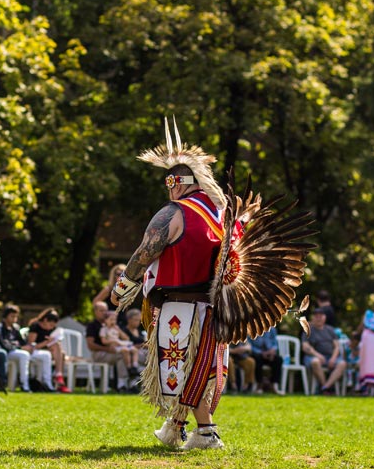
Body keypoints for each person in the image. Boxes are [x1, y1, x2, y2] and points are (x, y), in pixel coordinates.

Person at [109, 119, 314, 450]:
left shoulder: (174, 212)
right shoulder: (222, 214)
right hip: (216, 308)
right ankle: (175, 428)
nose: (169, 188)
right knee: (200, 369)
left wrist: (123, 285)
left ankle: (205, 432)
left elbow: (145, 252)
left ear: (181, 182)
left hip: (181, 307)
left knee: (189, 371)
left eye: (171, 181)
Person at [0, 305, 52, 392]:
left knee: (46, 355)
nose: (14, 318)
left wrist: (29, 346)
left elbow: (22, 341)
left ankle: (47, 384)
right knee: (24, 355)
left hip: (20, 351)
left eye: (16, 316)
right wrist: (20, 347)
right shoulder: (0, 328)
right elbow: (4, 344)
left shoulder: (15, 328)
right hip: (9, 353)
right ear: (5, 316)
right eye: (12, 316)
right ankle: (24, 384)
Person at [86, 301, 132, 393]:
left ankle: (124, 383)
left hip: (112, 352)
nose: (104, 313)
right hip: (99, 354)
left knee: (126, 352)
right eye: (101, 311)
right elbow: (90, 345)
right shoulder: (92, 326)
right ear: (95, 312)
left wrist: (117, 329)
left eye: (105, 311)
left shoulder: (112, 325)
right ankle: (123, 382)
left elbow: (126, 338)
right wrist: (107, 349)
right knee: (122, 354)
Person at [302, 307, 347, 395]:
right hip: (313, 357)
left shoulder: (330, 330)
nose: (318, 318)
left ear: (324, 317)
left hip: (330, 357)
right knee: (315, 362)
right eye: (316, 316)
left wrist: (333, 358)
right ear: (313, 318)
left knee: (342, 363)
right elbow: (305, 346)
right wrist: (317, 355)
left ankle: (325, 387)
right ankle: (325, 387)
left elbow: (337, 346)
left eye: (321, 316)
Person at [26, 307, 68, 392]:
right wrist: (46, 342)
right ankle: (58, 377)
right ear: (45, 320)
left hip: (48, 351)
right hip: (35, 351)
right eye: (51, 325)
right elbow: (31, 346)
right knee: (58, 351)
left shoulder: (52, 330)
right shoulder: (35, 327)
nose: (51, 328)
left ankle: (58, 376)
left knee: (60, 351)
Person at [99, 310, 140, 375]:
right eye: (111, 320)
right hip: (113, 347)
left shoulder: (116, 328)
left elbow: (126, 338)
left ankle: (135, 366)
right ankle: (129, 367)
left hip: (120, 344)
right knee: (125, 350)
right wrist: (113, 341)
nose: (113, 322)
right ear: (105, 320)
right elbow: (104, 341)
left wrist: (119, 331)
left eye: (114, 320)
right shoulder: (104, 329)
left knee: (134, 350)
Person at [249, 326, 284, 395]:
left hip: (269, 353)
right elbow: (250, 346)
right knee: (257, 360)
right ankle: (259, 386)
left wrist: (272, 351)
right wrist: (261, 353)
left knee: (278, 360)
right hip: (257, 354)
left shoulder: (272, 329)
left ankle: (275, 385)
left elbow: (275, 343)